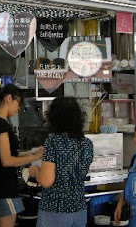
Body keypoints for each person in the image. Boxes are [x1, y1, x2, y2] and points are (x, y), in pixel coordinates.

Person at [28, 97, 93, 227]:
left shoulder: (53, 142)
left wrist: (36, 171)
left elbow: (47, 181)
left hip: (55, 209)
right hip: (79, 208)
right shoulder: (87, 144)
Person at [0, 84, 43, 227]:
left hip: (3, 187)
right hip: (4, 189)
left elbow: (12, 154)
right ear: (9, 98)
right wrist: (36, 157)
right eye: (18, 102)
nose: (18, 108)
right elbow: (7, 160)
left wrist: (32, 153)